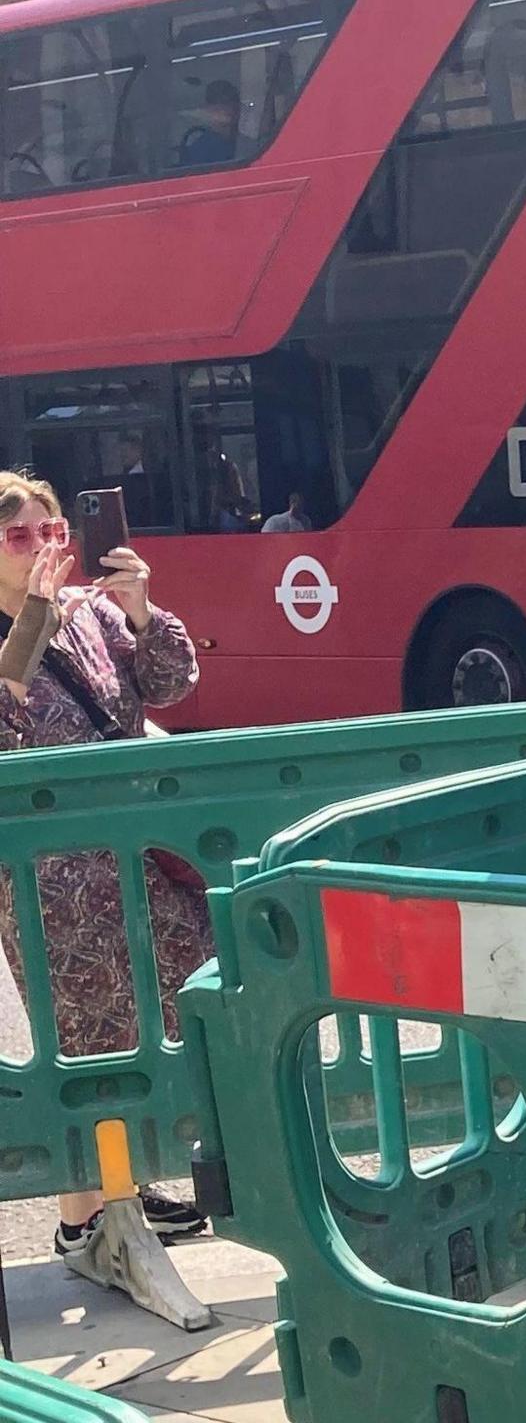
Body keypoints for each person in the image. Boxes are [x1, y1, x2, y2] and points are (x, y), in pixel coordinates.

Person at [0, 473, 211, 1255]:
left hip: (136, 854)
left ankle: (120, 1194)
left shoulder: (90, 614)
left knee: (172, 1008)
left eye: (52, 532)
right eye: (20, 536)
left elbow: (173, 684)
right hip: (50, 876)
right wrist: (35, 617)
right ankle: (87, 1214)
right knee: (84, 1036)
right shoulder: (33, 618)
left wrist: (143, 610)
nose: (42, 548)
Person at [175, 81, 241, 168]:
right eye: (216, 102)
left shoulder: (250, 146)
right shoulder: (198, 150)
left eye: (229, 101)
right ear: (207, 108)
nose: (224, 108)